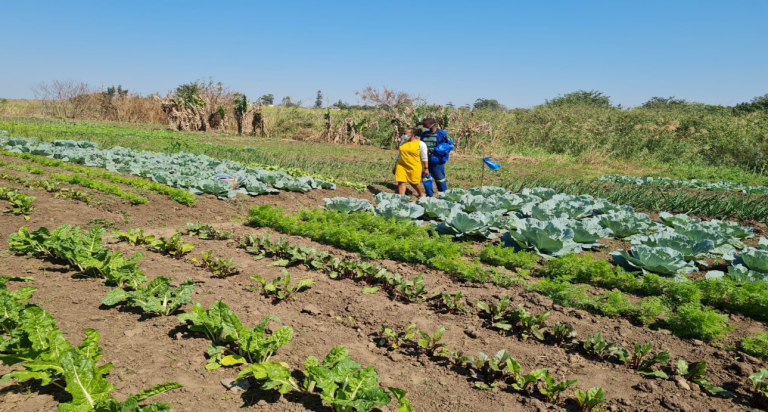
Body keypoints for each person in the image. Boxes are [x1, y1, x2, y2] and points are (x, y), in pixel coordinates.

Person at [421, 118, 453, 196]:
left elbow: (451, 145)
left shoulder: (443, 134)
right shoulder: (423, 134)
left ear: (432, 124)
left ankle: (444, 195)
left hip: (438, 161)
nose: (423, 126)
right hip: (425, 161)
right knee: (426, 178)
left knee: (440, 179)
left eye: (425, 125)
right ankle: (429, 195)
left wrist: (441, 150)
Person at [392, 127, 428, 197]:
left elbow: (424, 157)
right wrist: (395, 166)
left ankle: (421, 194)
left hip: (414, 166)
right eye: (404, 133)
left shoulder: (421, 144)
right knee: (401, 182)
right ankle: (401, 198)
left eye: (405, 133)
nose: (403, 135)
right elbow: (399, 155)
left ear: (412, 134)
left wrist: (426, 168)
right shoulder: (403, 143)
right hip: (401, 165)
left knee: (414, 182)